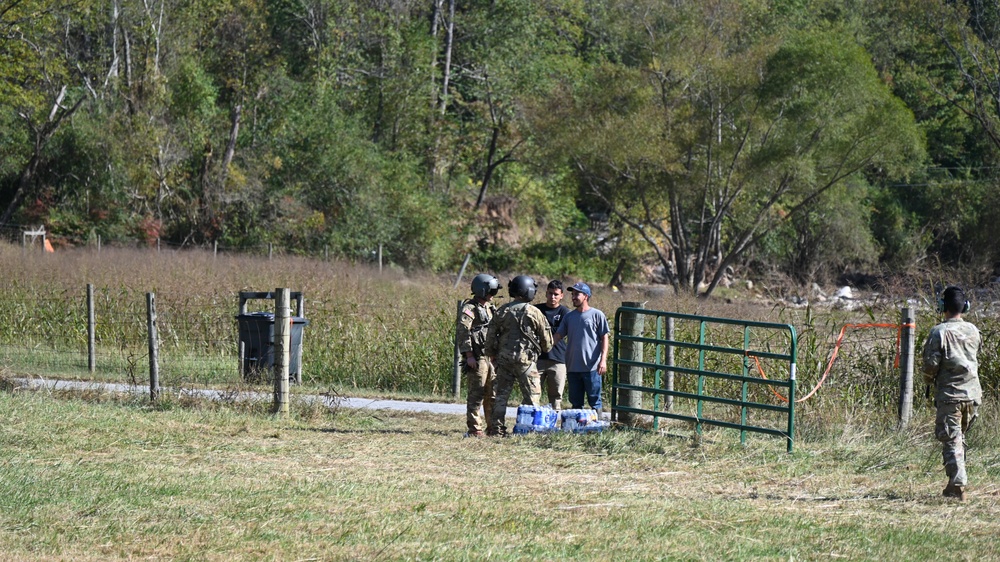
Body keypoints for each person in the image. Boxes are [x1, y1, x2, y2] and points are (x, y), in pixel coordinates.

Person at [922, 285, 982, 501]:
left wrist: (928, 381)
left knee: (952, 439)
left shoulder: (939, 332)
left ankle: (957, 484)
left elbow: (931, 365)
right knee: (959, 438)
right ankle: (953, 483)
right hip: (973, 395)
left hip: (950, 395)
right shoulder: (974, 330)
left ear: (942, 306)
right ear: (965, 306)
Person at [484, 275, 553, 436]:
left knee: (501, 396)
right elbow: (547, 343)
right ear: (528, 291)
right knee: (532, 397)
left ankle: (497, 430)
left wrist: (492, 354)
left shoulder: (502, 310)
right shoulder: (534, 312)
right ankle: (529, 430)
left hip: (504, 360)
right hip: (526, 362)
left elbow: (490, 336)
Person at [554, 282, 610, 415]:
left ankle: (598, 426)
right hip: (573, 367)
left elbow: (605, 338)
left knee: (595, 402)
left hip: (592, 367)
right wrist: (543, 346)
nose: (573, 297)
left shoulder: (597, 315)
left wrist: (603, 361)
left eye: (576, 294)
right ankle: (577, 428)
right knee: (576, 403)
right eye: (572, 294)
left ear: (586, 296)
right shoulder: (569, 317)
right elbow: (558, 335)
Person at [456, 273, 500, 437]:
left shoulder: (490, 308)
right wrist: (468, 355)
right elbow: (463, 331)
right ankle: (475, 429)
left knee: (492, 394)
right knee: (477, 394)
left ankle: (492, 427)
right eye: (491, 291)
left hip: (490, 357)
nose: (492, 295)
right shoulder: (470, 308)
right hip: (477, 357)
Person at [535, 280, 570, 410]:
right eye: (550, 293)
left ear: (561, 295)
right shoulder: (537, 310)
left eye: (556, 294)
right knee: (533, 393)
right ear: (546, 293)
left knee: (556, 395)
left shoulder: (566, 313)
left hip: (558, 359)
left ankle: (554, 421)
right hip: (538, 358)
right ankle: (531, 421)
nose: (552, 297)